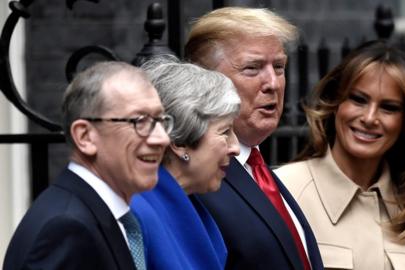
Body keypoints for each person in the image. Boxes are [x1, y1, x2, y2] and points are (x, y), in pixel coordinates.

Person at [274, 40, 405, 270]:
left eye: (389, 107)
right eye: (358, 99)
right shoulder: (285, 193)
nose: (369, 118)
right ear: (335, 102)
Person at [185, 7, 324, 270]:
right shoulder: (196, 178)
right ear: (203, 78)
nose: (273, 83)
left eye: (279, 67)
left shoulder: (259, 168)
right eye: (252, 68)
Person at [3, 61, 172, 270]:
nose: (162, 138)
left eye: (161, 120)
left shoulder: (99, 213)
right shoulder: (67, 230)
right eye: (140, 121)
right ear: (85, 136)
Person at [130, 58, 241, 270]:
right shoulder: (136, 215)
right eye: (225, 132)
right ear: (180, 142)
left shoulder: (193, 205)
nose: (235, 147)